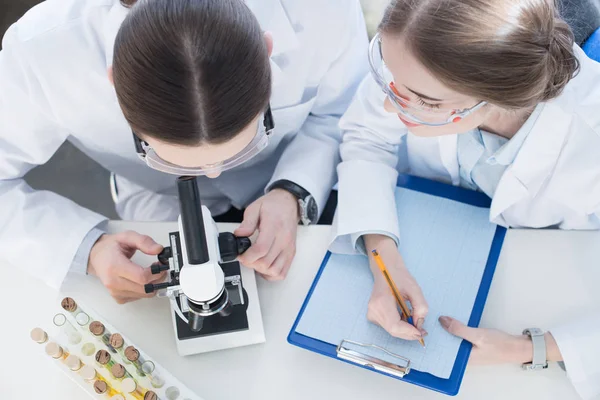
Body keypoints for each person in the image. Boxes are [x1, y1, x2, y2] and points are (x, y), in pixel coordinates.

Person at [0, 0, 368, 303]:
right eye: (166, 154)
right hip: (154, 199)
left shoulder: (324, 10)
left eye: (240, 146)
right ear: (114, 82)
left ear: (267, 50)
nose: (213, 173)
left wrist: (293, 190)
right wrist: (86, 247)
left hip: (287, 169)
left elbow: (340, 111)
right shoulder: (43, 53)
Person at [333, 0, 600, 398]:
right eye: (390, 79)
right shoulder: (414, 61)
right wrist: (381, 253)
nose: (390, 103)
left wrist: (531, 348)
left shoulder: (589, 131)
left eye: (424, 101)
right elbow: (367, 136)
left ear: (496, 97)